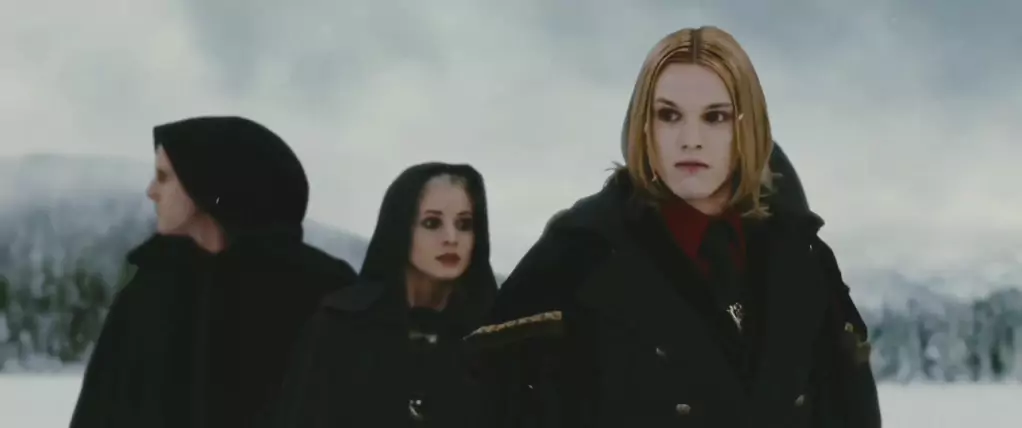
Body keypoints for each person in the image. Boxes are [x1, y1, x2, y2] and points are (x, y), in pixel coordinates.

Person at [468, 26, 881, 428]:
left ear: (746, 127)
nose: (690, 138)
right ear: (644, 126)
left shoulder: (805, 260)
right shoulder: (574, 259)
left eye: (715, 117)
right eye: (669, 115)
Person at [69, 116, 358, 428]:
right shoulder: (148, 289)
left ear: (205, 183)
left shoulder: (318, 290)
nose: (151, 191)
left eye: (164, 177)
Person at [271, 162, 498, 427]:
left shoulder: (496, 338)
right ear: (400, 228)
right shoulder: (340, 326)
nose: (451, 237)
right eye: (432, 222)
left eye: (464, 224)